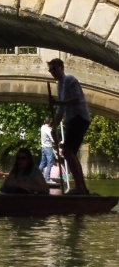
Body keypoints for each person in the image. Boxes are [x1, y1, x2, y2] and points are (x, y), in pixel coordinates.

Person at [48, 57, 91, 195]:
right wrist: (54, 127)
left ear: (61, 67)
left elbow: (76, 99)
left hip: (80, 118)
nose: (52, 72)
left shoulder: (71, 80)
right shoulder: (60, 85)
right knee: (70, 152)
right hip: (72, 119)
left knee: (67, 152)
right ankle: (82, 188)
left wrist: (58, 102)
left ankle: (80, 188)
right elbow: (61, 110)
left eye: (54, 69)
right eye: (50, 70)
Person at [39, 116, 57, 182]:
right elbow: (53, 140)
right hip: (48, 148)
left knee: (42, 163)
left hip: (43, 148)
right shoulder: (48, 130)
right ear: (50, 122)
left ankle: (36, 176)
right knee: (50, 163)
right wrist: (59, 141)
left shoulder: (42, 127)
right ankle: (47, 178)